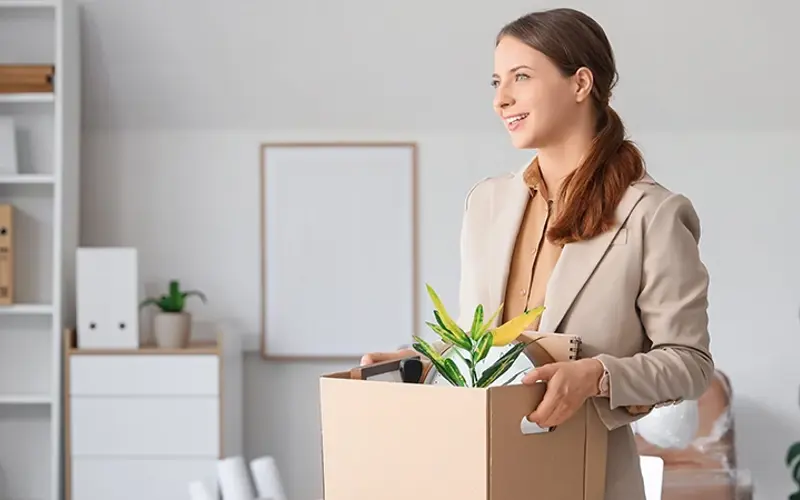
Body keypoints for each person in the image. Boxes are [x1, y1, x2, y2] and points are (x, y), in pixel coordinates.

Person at [360, 7, 713, 499]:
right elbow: (488, 342)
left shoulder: (653, 212)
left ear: (580, 83)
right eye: (496, 81)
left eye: (521, 77)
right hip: (478, 468)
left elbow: (690, 363)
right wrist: (425, 361)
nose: (501, 99)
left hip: (588, 474)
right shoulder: (485, 202)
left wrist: (595, 376)